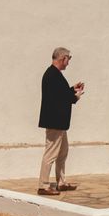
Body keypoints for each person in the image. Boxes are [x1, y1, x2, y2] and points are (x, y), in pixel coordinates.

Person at [37, 47, 84, 196]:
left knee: (62, 152)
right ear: (63, 58)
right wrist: (76, 96)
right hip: (55, 122)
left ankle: (61, 182)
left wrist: (71, 89)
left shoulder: (54, 74)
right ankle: (43, 185)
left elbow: (60, 94)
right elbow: (62, 99)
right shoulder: (52, 75)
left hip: (59, 123)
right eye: (68, 59)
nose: (68, 62)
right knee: (51, 153)